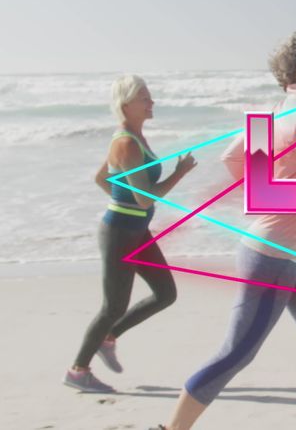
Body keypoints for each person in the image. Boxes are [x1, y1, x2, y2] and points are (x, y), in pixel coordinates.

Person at [163, 29, 296, 429]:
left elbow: (233, 158)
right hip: (274, 255)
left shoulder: (281, 110)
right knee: (238, 352)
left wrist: (274, 194)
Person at [64, 75, 196, 393]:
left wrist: (123, 200)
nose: (151, 103)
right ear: (126, 104)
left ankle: (108, 337)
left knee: (165, 294)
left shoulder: (134, 138)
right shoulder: (125, 142)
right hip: (120, 233)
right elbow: (146, 198)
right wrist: (179, 172)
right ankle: (78, 370)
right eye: (145, 98)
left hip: (136, 230)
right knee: (113, 306)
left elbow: (101, 178)